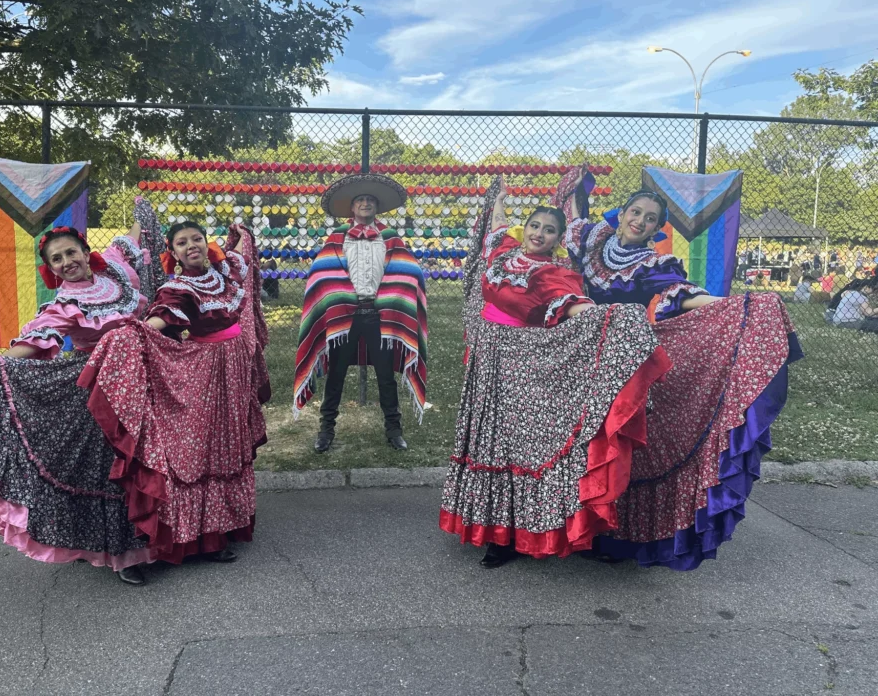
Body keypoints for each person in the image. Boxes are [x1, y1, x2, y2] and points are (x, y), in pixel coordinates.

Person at [554, 166, 801, 570]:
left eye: (650, 219)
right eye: (636, 212)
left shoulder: (654, 263)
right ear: (623, 212)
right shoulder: (591, 237)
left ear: (656, 228)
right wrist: (580, 180)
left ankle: (611, 533)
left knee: (613, 441)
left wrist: (729, 308)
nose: (640, 222)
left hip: (620, 359)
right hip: (579, 349)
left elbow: (681, 295)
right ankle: (565, 521)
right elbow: (567, 208)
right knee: (573, 438)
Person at [440, 178, 670, 568]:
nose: (538, 234)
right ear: (524, 228)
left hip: (523, 366)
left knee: (517, 444)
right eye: (534, 226)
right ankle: (494, 531)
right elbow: (495, 227)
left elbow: (574, 305)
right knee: (486, 441)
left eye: (549, 230)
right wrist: (497, 201)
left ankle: (517, 534)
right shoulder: (504, 248)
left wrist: (611, 316)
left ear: (558, 239)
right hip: (485, 364)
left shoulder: (555, 274)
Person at [0, 198, 164, 585]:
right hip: (100, 383)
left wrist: (142, 209)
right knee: (111, 465)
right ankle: (125, 555)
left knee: (154, 456)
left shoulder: (118, 274)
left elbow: (132, 239)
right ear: (51, 269)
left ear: (85, 252)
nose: (66, 262)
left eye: (70, 252)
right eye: (56, 259)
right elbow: (36, 342)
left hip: (146, 372)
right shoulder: (63, 303)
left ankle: (170, 536)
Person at [79, 221, 270, 565]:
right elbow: (160, 320)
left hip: (235, 373)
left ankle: (222, 528)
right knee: (204, 448)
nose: (191, 245)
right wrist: (130, 333)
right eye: (182, 243)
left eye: (197, 238)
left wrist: (239, 235)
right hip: (205, 374)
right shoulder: (178, 288)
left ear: (206, 243)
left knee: (228, 442)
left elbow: (242, 257)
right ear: (174, 253)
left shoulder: (224, 272)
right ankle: (204, 540)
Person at [294, 173, 428, 453]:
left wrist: (392, 294)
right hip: (345, 315)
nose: (365, 204)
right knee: (336, 374)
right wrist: (338, 295)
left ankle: (394, 430)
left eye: (370, 200)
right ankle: (326, 430)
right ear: (352, 208)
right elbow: (321, 273)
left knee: (385, 376)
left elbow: (411, 270)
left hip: (380, 316)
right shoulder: (337, 239)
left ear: (376, 207)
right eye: (360, 200)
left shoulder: (390, 238)